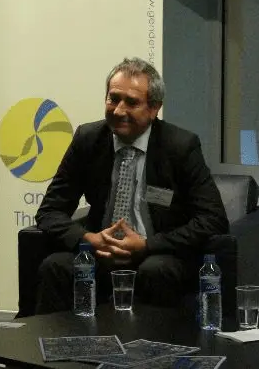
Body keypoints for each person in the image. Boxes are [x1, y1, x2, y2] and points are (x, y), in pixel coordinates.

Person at [34, 57, 229, 314]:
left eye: (132, 102)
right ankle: (57, 339)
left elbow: (213, 219)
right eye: (113, 99)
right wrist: (88, 239)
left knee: (155, 270)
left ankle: (152, 341)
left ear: (154, 108)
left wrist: (148, 245)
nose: (118, 111)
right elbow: (49, 211)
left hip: (158, 253)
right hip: (100, 252)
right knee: (56, 266)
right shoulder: (88, 139)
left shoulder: (180, 146)